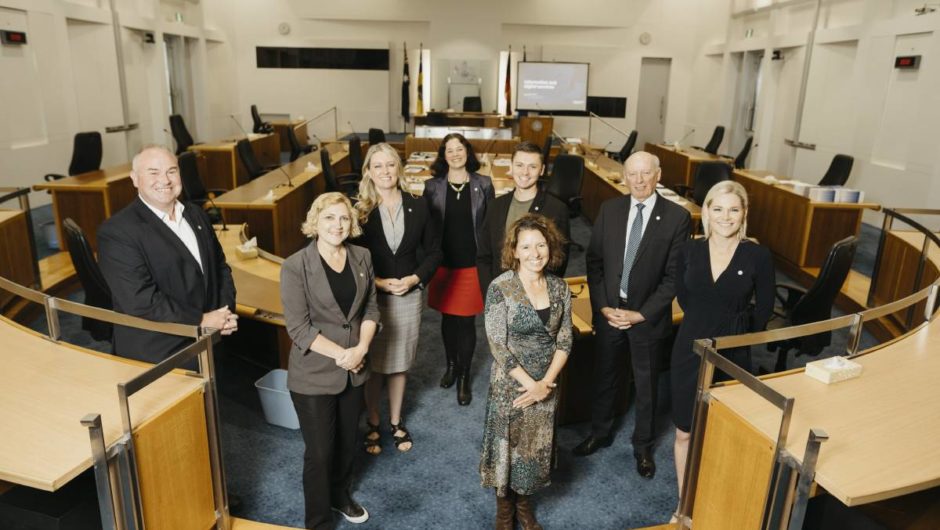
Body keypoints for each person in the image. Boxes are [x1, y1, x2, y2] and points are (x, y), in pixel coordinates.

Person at [580, 151, 691, 481]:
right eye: (633, 174)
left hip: (646, 318)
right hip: (610, 313)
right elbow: (595, 263)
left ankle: (642, 445)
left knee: (647, 386)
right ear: (623, 177)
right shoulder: (610, 210)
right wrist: (602, 306)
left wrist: (640, 314)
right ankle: (599, 432)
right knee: (605, 375)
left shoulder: (676, 217)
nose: (639, 181)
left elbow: (674, 278)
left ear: (658, 175)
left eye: (646, 173)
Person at [280, 192, 380, 529]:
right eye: (329, 218)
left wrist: (362, 349)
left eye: (343, 218)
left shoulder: (363, 256)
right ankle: (318, 521)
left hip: (356, 367)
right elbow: (298, 328)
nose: (337, 225)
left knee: (347, 443)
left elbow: (370, 309)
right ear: (315, 222)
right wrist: (343, 355)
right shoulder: (295, 266)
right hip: (315, 372)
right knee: (320, 452)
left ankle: (340, 496)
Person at [671, 180, 774, 502]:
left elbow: (765, 310)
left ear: (744, 213)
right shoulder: (688, 250)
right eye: (718, 209)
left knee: (728, 430)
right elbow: (685, 298)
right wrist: (706, 319)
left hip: (734, 351)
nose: (725, 217)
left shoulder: (757, 255)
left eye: (733, 209)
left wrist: (736, 331)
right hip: (690, 345)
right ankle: (685, 502)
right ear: (706, 212)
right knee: (684, 432)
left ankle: (721, 499)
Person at [98, 144, 237, 364]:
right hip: (160, 354)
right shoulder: (117, 232)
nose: (165, 180)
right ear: (135, 179)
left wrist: (224, 313)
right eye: (153, 172)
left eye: (171, 171)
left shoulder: (196, 214)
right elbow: (140, 300)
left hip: (208, 339)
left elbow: (220, 267)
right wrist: (201, 320)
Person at [480, 214, 572, 530]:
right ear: (515, 251)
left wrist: (545, 384)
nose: (535, 253)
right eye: (526, 246)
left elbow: (565, 339)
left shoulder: (560, 288)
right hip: (511, 385)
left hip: (547, 382)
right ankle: (504, 513)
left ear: (551, 247)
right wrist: (530, 386)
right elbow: (497, 345)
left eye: (541, 245)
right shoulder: (500, 287)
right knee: (508, 448)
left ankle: (524, 508)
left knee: (532, 449)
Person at [353, 143, 441, 455]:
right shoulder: (359, 212)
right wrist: (377, 282)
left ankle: (395, 418)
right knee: (374, 363)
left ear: (398, 169)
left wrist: (415, 278)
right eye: (378, 166)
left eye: (390, 165)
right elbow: (349, 259)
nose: (385, 171)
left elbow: (434, 251)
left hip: (407, 295)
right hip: (372, 297)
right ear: (369, 172)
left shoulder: (418, 206)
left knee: (400, 362)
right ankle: (373, 421)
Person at [424, 133, 495, 406]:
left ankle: (464, 375)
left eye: (460, 148)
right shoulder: (432, 187)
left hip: (470, 265)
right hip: (443, 265)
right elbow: (427, 228)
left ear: (468, 152)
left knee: (465, 322)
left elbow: (489, 228)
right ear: (443, 155)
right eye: (449, 150)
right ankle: (451, 366)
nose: (455, 154)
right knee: (447, 320)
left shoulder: (484, 184)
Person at [476, 141, 570, 295]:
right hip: (499, 294)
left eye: (532, 167)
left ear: (542, 170)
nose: (525, 172)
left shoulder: (557, 209)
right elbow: (484, 256)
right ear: (511, 167)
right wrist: (490, 293)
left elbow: (559, 262)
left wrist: (540, 295)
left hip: (537, 298)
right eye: (519, 165)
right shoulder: (495, 206)